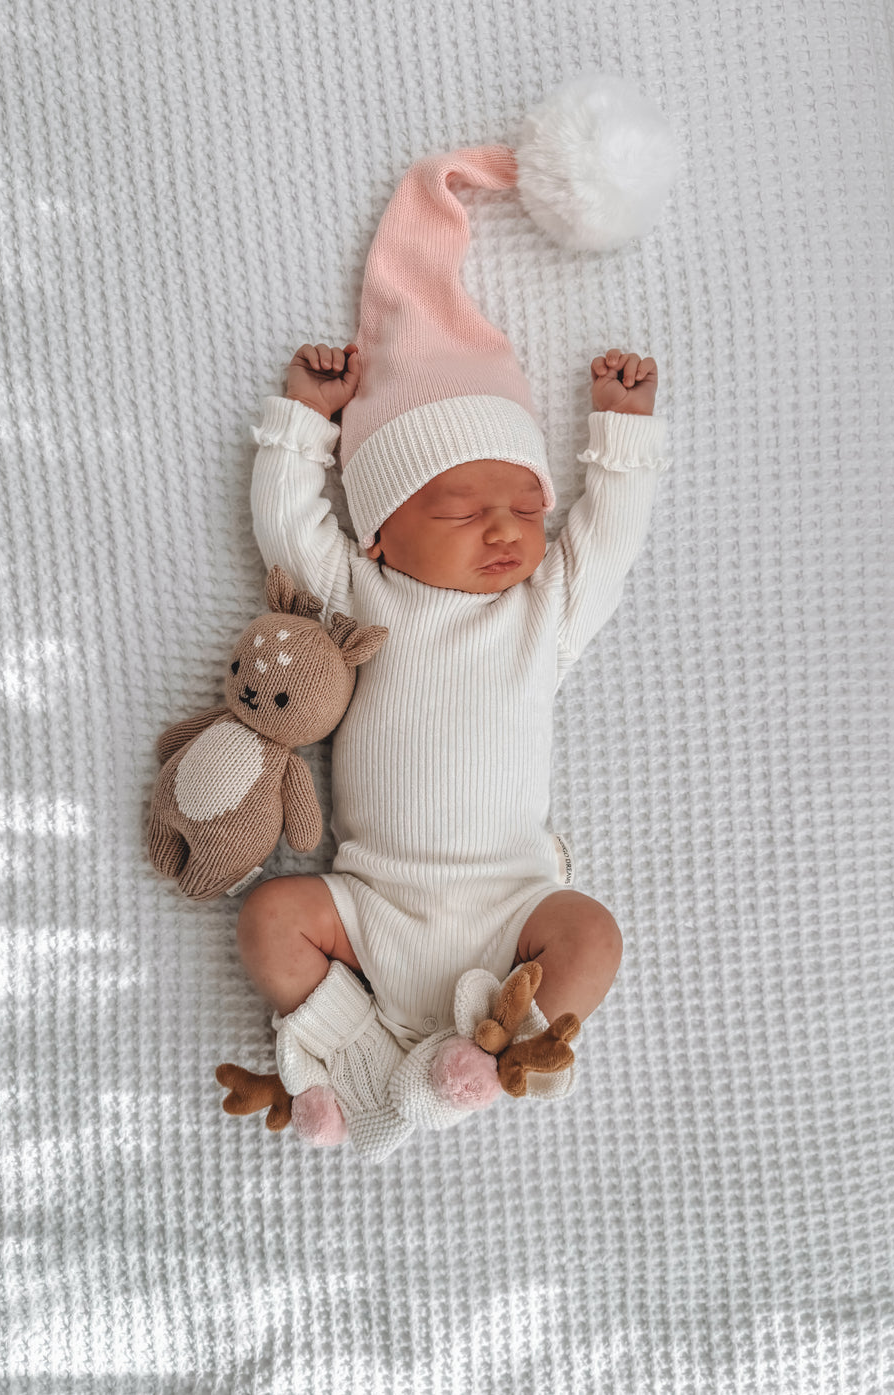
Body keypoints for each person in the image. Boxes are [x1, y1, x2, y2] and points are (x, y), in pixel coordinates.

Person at [236, 147, 669, 1156]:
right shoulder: (363, 595)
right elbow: (289, 530)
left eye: (524, 505)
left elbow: (604, 547)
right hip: (370, 898)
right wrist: (302, 421)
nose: (507, 529)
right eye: (465, 509)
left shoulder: (539, 611)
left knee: (591, 934)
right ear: (383, 530)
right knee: (270, 920)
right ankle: (364, 1056)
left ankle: (494, 1045)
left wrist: (621, 437)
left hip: (511, 903)